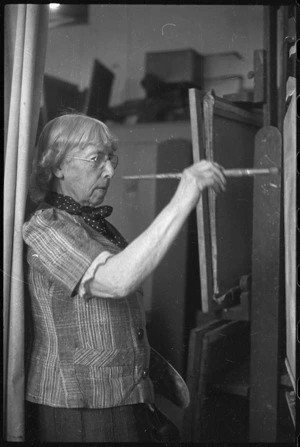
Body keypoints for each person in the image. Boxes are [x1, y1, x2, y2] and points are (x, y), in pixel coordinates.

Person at [23, 113, 226, 443]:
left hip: (120, 395)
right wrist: (185, 193)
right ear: (58, 165)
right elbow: (118, 280)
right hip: (81, 404)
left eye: (110, 158)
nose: (110, 170)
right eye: (96, 159)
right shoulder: (46, 226)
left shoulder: (87, 225)